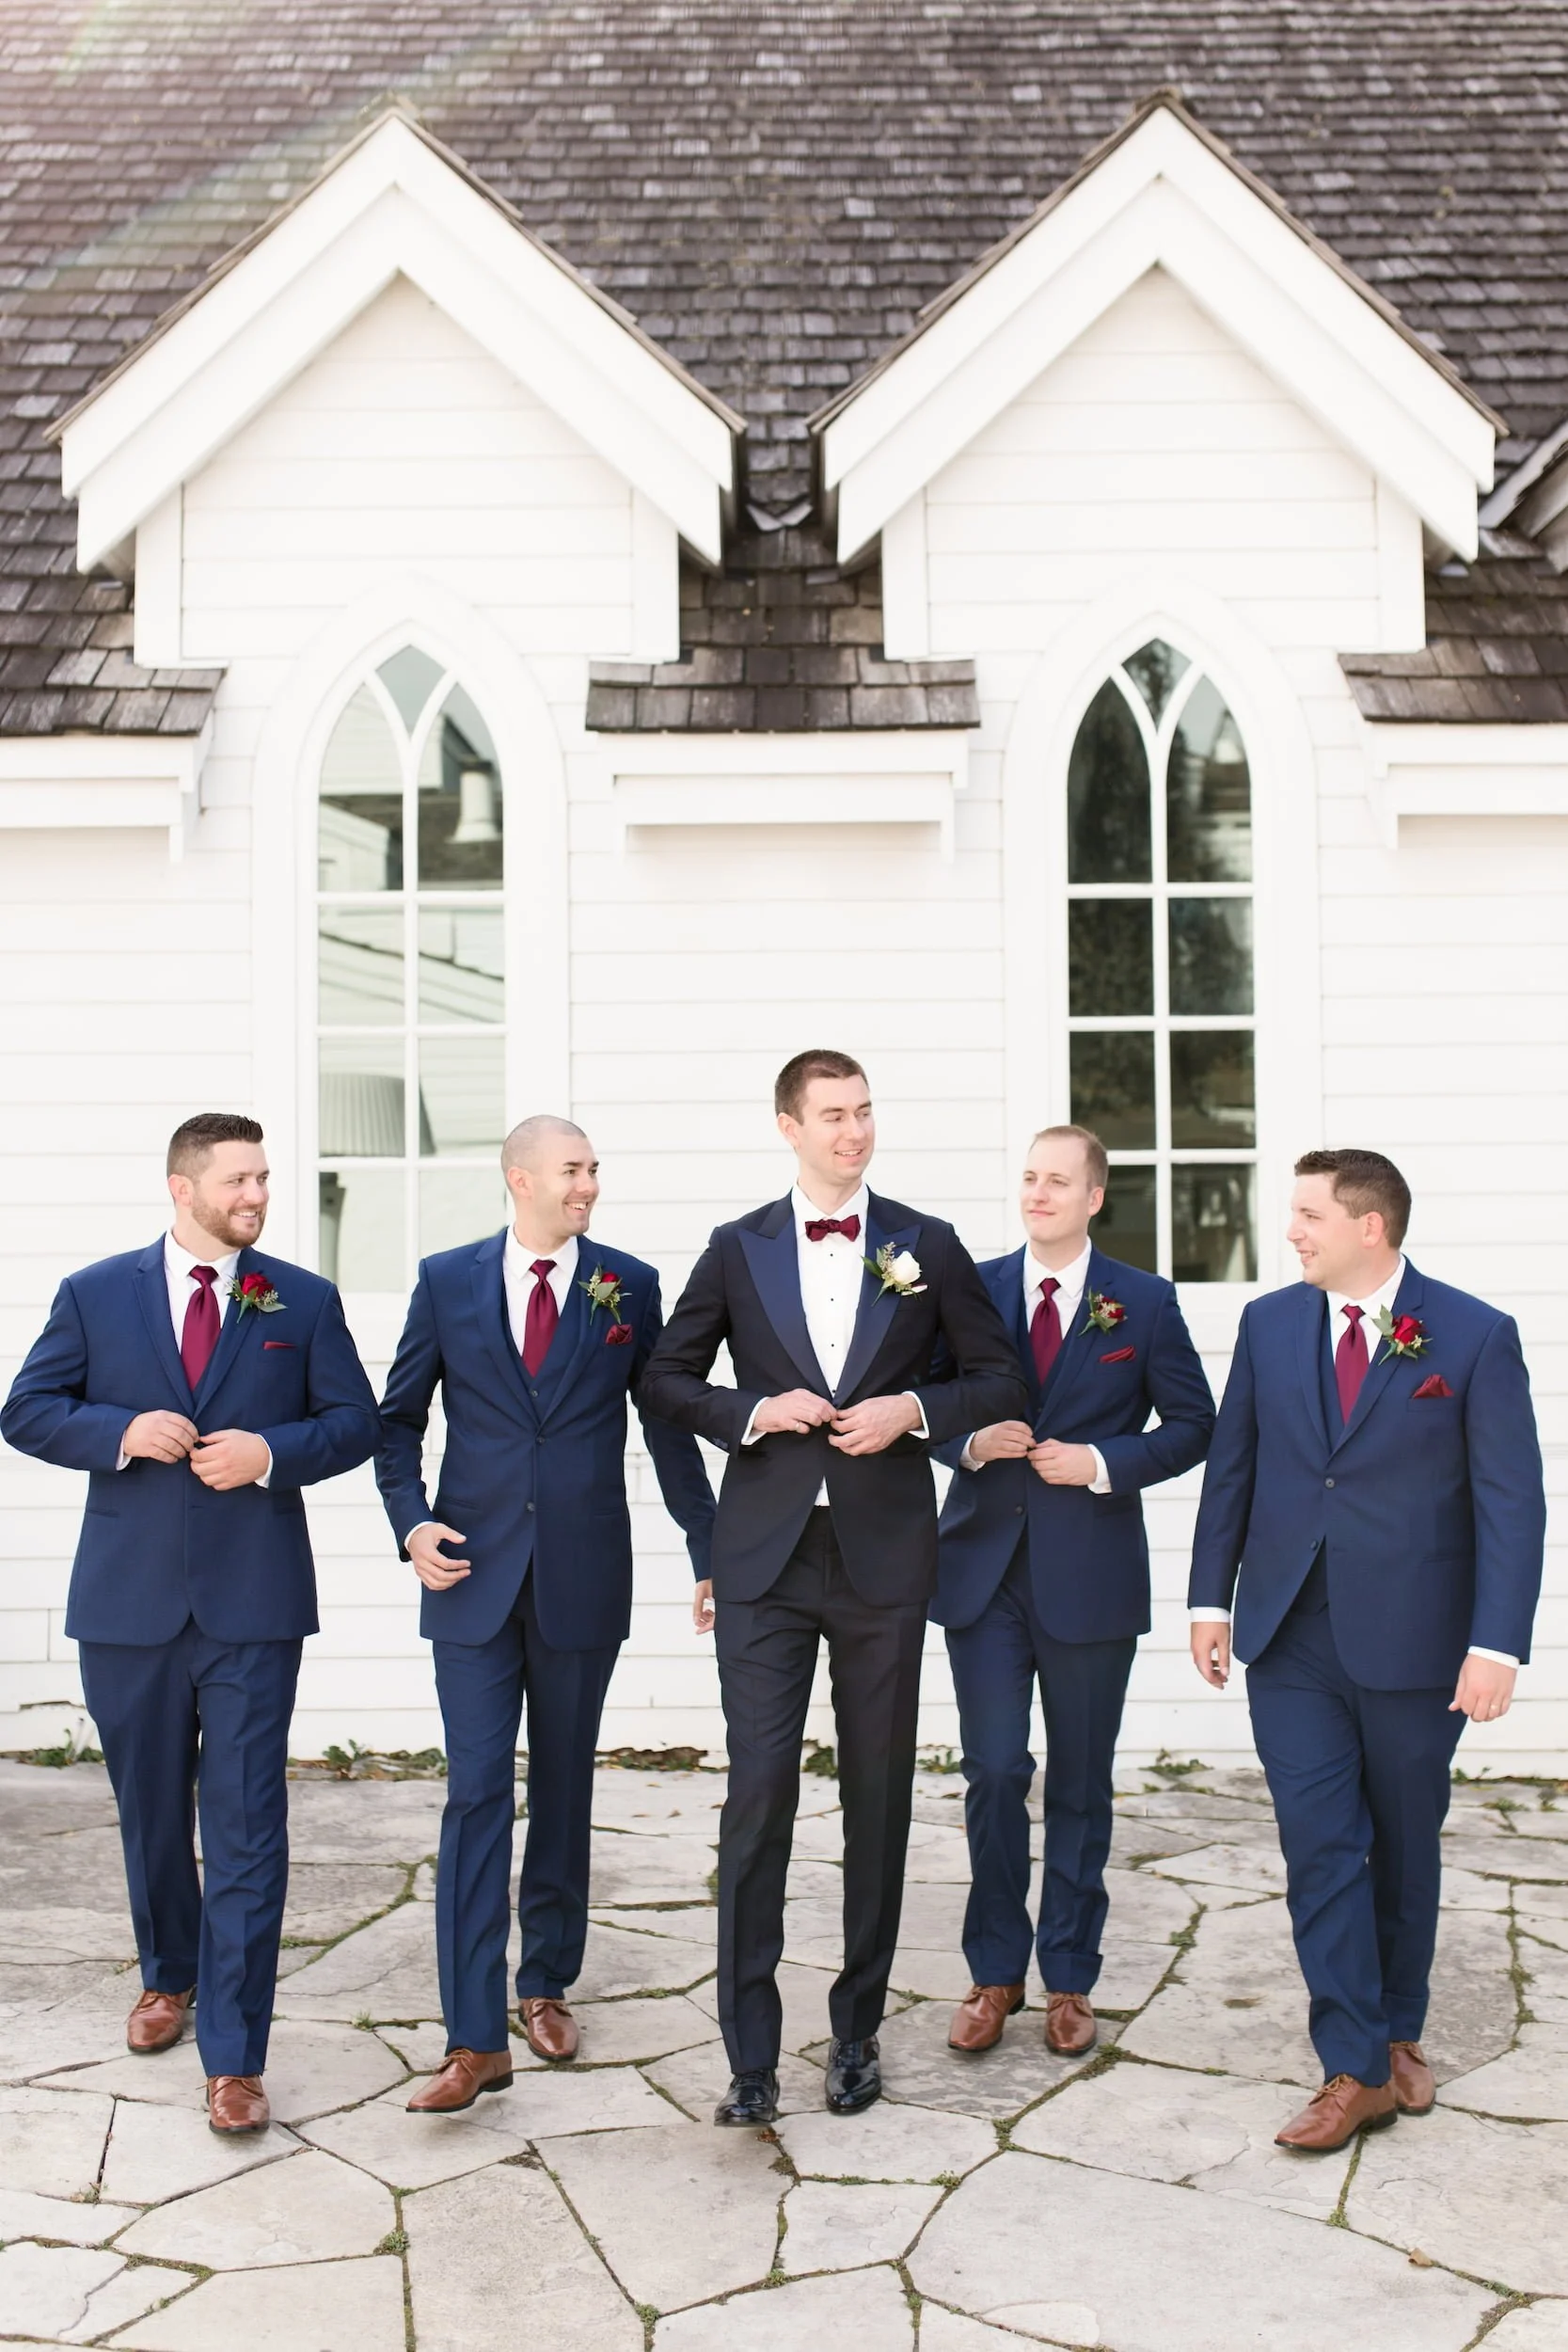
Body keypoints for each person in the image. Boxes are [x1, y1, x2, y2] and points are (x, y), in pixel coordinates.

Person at [641, 1049, 1027, 2126]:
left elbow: (997, 1378)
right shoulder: (736, 1248)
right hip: (761, 1558)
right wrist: (755, 1414)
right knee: (757, 1794)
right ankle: (749, 2053)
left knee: (876, 1795)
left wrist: (910, 1411)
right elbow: (665, 1380)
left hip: (882, 1561)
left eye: (862, 1114)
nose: (851, 1132)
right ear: (787, 1126)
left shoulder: (928, 1244)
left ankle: (854, 2032)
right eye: (830, 1116)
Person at [1, 1113, 378, 2135]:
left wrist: (269, 1451)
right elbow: (25, 1409)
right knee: (152, 1810)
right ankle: (167, 1974)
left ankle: (237, 2054)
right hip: (126, 1604)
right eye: (240, 1180)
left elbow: (354, 1421)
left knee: (250, 1823)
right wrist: (117, 1430)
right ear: (182, 1187)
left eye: (264, 1179)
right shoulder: (95, 1293)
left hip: (253, 1604)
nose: (257, 1196)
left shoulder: (300, 1297)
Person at [1189, 1148, 1545, 2153]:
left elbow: (1510, 1504)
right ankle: (1350, 2064)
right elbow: (1234, 1468)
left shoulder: (1471, 1337)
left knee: (1399, 1841)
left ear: (1367, 1227)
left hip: (1417, 1644)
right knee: (1318, 1845)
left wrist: (1495, 1645)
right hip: (1287, 1631)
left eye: (1305, 1213)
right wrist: (1205, 1603)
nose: (1290, 1230)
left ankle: (1396, 2028)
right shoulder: (1266, 1326)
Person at [375, 1115, 716, 2113]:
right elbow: (395, 1423)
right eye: (572, 1170)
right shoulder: (445, 1280)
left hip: (580, 1576)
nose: (589, 1187)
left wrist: (707, 1547)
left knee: (563, 1788)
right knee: (476, 1792)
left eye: (595, 1170)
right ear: (517, 1177)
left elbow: (663, 1427)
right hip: (469, 1579)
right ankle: (470, 2036)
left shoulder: (628, 1285)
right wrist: (411, 1526)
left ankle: (545, 1980)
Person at [932, 1125, 1214, 2058]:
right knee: (993, 1771)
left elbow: (1190, 1425)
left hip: (1089, 1574)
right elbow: (925, 1402)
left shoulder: (1142, 1301)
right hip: (980, 1572)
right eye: (1027, 1177)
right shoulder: (967, 1286)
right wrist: (968, 1444)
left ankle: (1069, 1975)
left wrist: (1100, 1461)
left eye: (1057, 1181)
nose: (1037, 1193)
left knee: (1081, 1782)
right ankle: (992, 1971)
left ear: (1094, 1195)